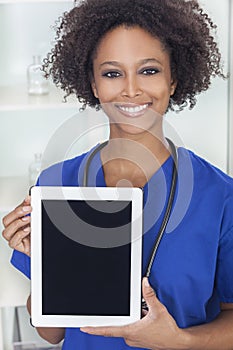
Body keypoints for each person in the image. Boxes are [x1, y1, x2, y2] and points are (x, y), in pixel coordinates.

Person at [2, 0, 233, 349]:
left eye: (149, 71)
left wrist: (177, 340)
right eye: (112, 73)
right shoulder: (54, 184)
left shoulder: (220, 196)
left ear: (174, 80)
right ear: (92, 84)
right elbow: (51, 332)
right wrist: (47, 267)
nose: (130, 89)